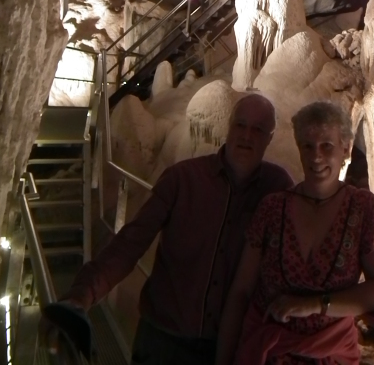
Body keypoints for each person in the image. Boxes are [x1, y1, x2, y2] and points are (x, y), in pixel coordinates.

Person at [52, 92, 293, 365]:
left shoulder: (277, 188)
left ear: (270, 137)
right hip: (164, 340)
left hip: (230, 347)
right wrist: (82, 295)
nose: (247, 136)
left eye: (258, 129)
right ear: (229, 126)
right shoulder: (183, 179)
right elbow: (130, 242)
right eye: (241, 125)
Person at [216, 101, 374, 365]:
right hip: (266, 353)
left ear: (345, 148)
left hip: (330, 354)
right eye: (308, 146)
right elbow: (241, 291)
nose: (316, 157)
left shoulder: (362, 209)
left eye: (327, 146)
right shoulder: (273, 207)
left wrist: (315, 304)